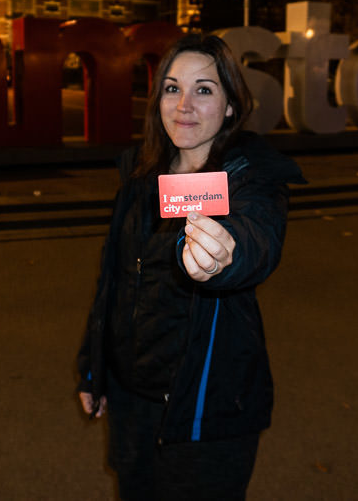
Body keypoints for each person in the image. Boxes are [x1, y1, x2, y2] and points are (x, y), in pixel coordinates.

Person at [76, 34, 304, 501]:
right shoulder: (140, 180)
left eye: (203, 89)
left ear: (229, 107)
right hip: (132, 401)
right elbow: (113, 285)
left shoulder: (251, 177)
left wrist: (224, 257)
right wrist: (94, 369)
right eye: (171, 88)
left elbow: (256, 237)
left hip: (208, 411)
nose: (184, 104)